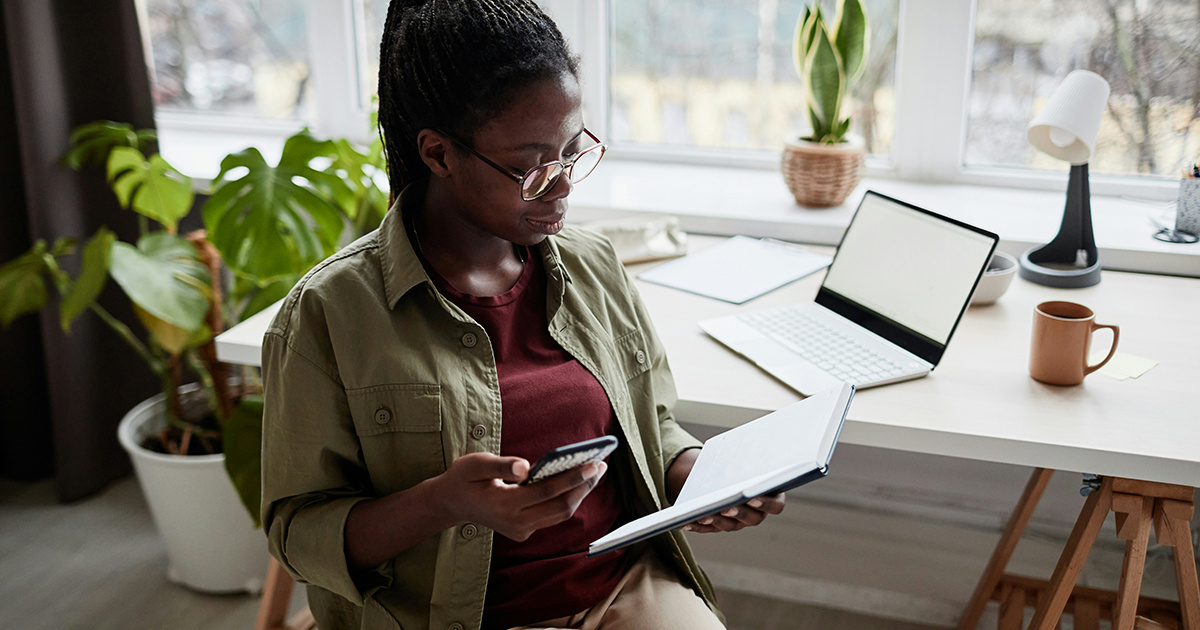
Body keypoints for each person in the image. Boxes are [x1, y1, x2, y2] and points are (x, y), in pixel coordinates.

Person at [260, 1, 785, 628]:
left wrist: (692, 474)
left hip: (615, 589)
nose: (562, 186)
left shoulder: (594, 267)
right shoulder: (331, 312)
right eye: (533, 165)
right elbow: (297, 535)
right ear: (438, 153)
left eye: (572, 151)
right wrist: (443, 504)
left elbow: (655, 422)